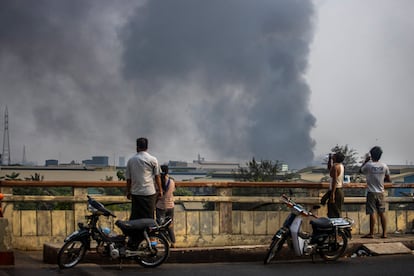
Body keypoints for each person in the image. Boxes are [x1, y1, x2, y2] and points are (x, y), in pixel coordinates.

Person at [126, 137, 163, 220]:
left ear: (137, 147)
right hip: (149, 193)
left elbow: (129, 179)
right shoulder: (153, 159)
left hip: (136, 193)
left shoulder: (131, 160)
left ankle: (136, 233)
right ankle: (148, 232)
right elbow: (157, 176)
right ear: (147, 147)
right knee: (149, 217)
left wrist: (128, 191)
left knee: (136, 217)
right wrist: (160, 190)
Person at [360, 146, 391, 239]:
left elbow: (360, 171)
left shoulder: (368, 165)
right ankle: (384, 233)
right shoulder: (384, 166)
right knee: (382, 213)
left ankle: (371, 233)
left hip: (371, 192)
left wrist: (365, 161)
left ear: (371, 155)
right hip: (381, 192)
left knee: (372, 212)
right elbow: (388, 179)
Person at [156, 165, 176, 246]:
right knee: (170, 225)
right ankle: (173, 242)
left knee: (161, 226)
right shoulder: (172, 181)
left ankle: (166, 242)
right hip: (171, 206)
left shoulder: (157, 182)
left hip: (161, 206)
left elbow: (157, 193)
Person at [326, 152, 345, 218]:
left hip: (336, 191)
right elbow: (329, 169)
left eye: (334, 156)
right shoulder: (340, 166)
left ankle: (335, 227)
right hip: (339, 190)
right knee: (337, 211)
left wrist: (332, 194)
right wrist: (329, 160)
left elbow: (334, 181)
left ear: (336, 158)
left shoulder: (335, 167)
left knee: (333, 212)